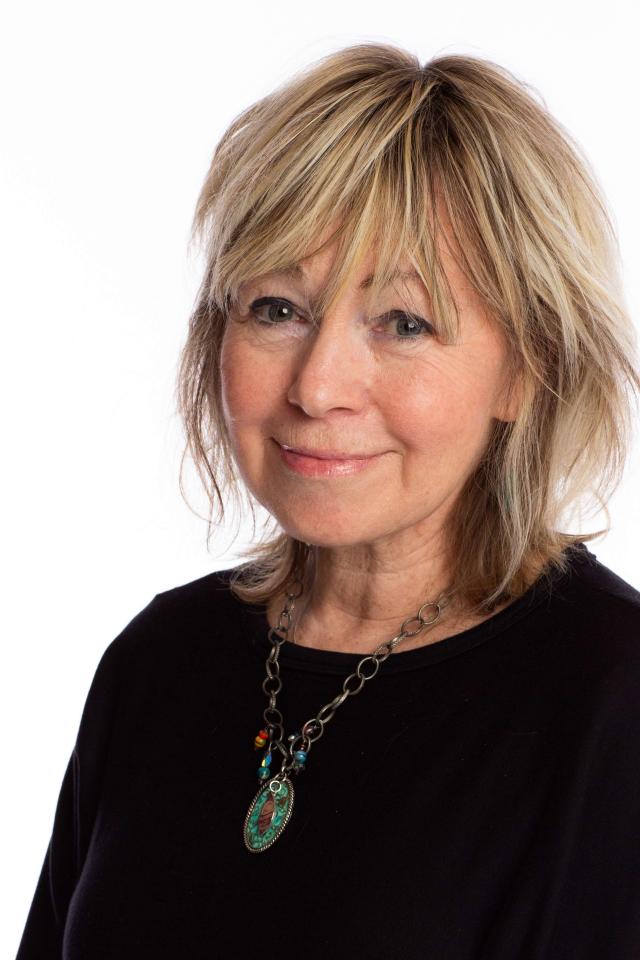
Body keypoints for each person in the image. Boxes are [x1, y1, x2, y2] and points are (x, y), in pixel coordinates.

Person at [16, 42, 640, 959]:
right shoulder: (157, 665)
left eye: (404, 322)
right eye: (278, 309)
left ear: (529, 368)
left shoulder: (613, 706)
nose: (318, 386)